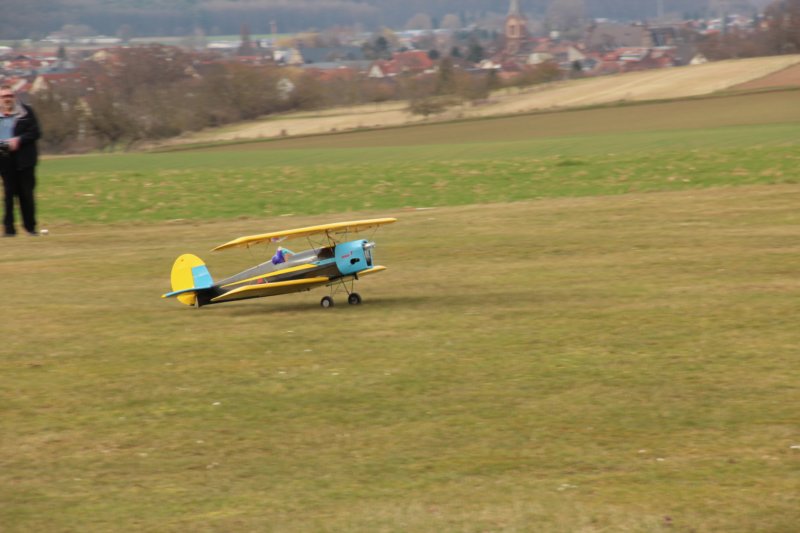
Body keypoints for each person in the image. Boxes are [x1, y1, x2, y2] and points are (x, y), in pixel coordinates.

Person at [0, 85, 41, 237]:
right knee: (8, 195)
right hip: (5, 160)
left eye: (9, 96)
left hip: (25, 160)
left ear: (14, 97)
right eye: (4, 96)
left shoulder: (26, 112)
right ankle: (9, 229)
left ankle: (30, 228)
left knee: (26, 195)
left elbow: (35, 132)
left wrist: (19, 140)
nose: (7, 99)